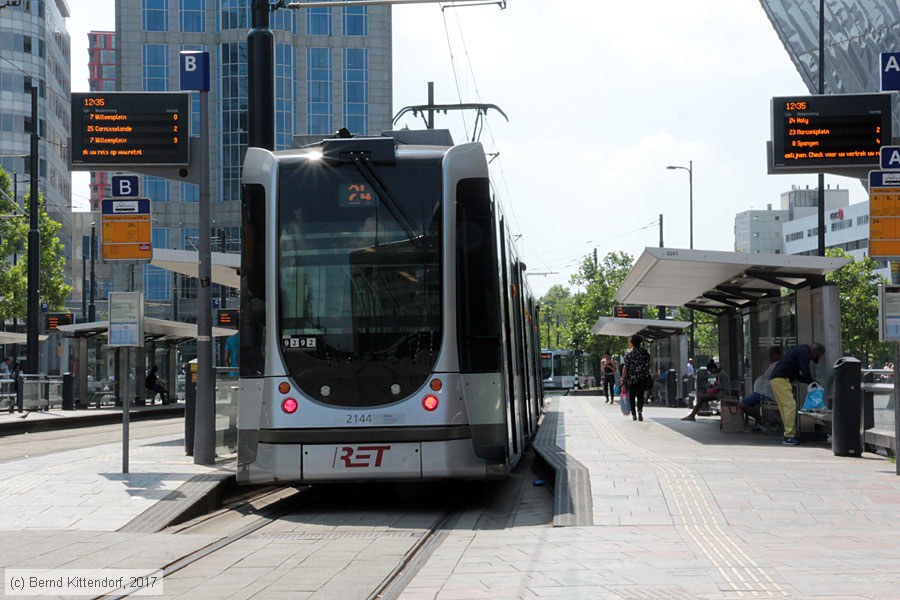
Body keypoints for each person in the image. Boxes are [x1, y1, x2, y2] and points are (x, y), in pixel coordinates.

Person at [769, 343, 824, 446]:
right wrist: (811, 383)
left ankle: (790, 434)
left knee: (785, 407)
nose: (812, 359)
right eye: (815, 357)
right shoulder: (804, 352)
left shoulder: (798, 350)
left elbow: (797, 375)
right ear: (815, 352)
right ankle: (789, 436)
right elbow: (805, 370)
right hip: (781, 380)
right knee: (790, 405)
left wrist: (811, 382)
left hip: (776, 379)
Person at [740, 347, 783, 428]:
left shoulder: (779, 365)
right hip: (762, 391)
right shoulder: (772, 365)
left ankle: (762, 422)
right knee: (744, 404)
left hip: (767, 393)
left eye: (772, 354)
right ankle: (762, 421)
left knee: (744, 404)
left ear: (778, 354)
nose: (770, 356)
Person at [621, 334, 652, 421]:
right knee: (640, 395)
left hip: (631, 378)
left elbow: (625, 367)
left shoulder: (629, 353)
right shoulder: (644, 352)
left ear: (632, 343)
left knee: (631, 396)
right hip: (642, 377)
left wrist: (623, 379)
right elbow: (650, 364)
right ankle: (640, 410)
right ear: (640, 342)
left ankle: (633, 414)